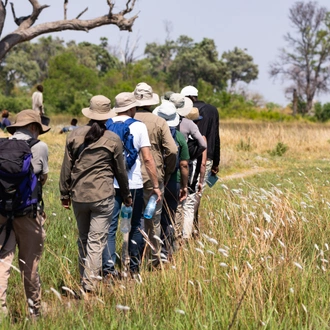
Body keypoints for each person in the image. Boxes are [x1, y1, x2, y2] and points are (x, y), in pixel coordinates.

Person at [59, 95, 132, 292]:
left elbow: (67, 167)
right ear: (108, 116)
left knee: (83, 238)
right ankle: (89, 284)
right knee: (96, 241)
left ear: (89, 113)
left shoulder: (73, 135)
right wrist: (126, 195)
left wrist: (64, 194)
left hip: (79, 196)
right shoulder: (113, 139)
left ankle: (83, 277)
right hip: (103, 196)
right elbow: (120, 171)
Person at [102, 92, 161, 277]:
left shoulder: (107, 124)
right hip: (134, 183)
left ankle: (109, 269)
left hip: (110, 183)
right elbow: (148, 158)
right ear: (132, 108)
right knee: (135, 225)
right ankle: (134, 267)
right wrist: (156, 185)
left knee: (110, 227)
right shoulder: (139, 127)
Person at [0, 110, 50, 318]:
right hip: (28, 213)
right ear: (33, 128)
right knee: (30, 264)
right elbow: (43, 178)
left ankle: (1, 311)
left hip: (2, 211)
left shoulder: (1, 146)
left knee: (3, 261)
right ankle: (34, 310)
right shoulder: (39, 147)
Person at [133, 82, 178, 268]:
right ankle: (154, 259)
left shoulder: (127, 119)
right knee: (153, 220)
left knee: (132, 219)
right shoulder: (159, 122)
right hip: (154, 178)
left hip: (129, 178)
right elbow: (173, 150)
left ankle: (132, 258)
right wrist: (166, 172)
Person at [181, 85, 220, 232]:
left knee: (187, 196)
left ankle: (188, 229)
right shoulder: (212, 110)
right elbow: (216, 137)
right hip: (207, 156)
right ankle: (192, 228)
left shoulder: (185, 111)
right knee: (196, 194)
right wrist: (216, 160)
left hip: (187, 157)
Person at [153, 101, 189, 259]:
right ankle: (166, 252)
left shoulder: (153, 133)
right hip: (173, 182)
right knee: (169, 218)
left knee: (153, 217)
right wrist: (184, 186)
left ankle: (151, 250)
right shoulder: (179, 137)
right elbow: (184, 164)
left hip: (154, 181)